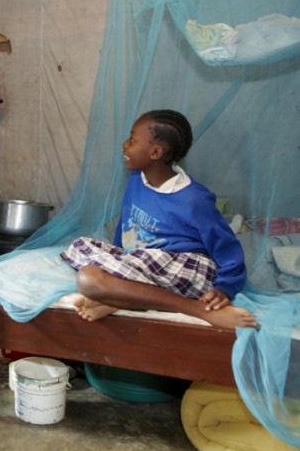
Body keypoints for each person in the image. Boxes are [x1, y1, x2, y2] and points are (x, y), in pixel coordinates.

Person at [61, 109, 259, 330]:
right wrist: (117, 267)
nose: (124, 145)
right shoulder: (137, 180)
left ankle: (198, 310)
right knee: (79, 247)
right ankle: (120, 300)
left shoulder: (193, 198)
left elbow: (227, 247)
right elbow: (125, 228)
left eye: (133, 141)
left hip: (186, 265)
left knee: (88, 279)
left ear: (155, 152)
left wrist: (224, 288)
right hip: (147, 264)